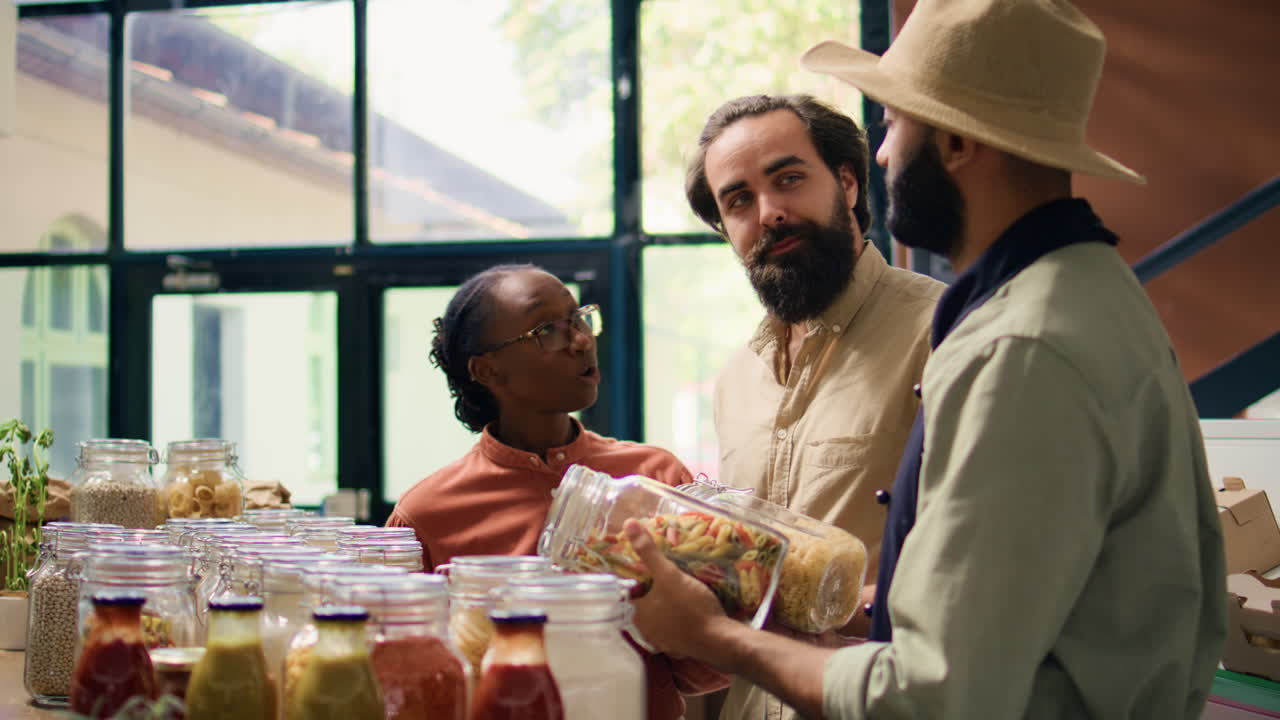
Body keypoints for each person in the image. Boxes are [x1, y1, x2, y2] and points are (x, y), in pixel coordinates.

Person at [626, 0, 1226, 717]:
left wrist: (713, 637)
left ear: (955, 143)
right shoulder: (1076, 296)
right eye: (738, 200)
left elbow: (936, 695)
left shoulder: (1018, 350)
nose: (882, 154)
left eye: (893, 126)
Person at [685, 95, 943, 718]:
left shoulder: (945, 332)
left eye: (789, 179)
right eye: (738, 200)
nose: (769, 212)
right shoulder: (735, 381)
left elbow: (985, 574)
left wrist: (835, 609)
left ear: (849, 183)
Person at [387, 264, 729, 720]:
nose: (582, 340)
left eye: (579, 319)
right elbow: (411, 680)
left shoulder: (654, 475)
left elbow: (705, 668)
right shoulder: (426, 515)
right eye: (547, 329)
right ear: (488, 369)